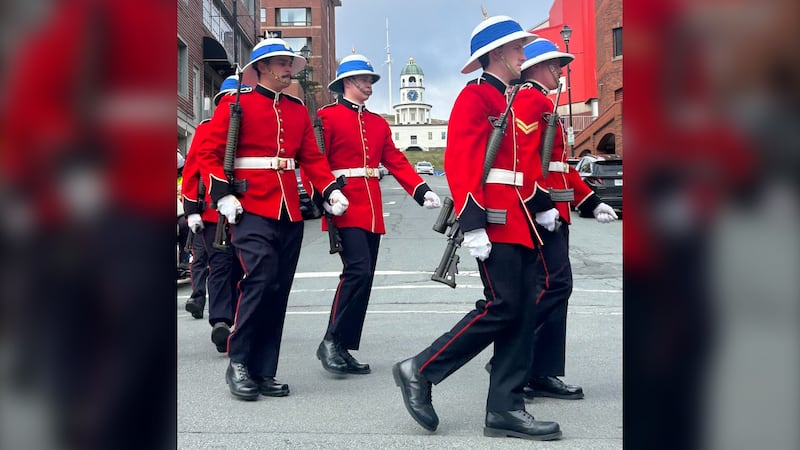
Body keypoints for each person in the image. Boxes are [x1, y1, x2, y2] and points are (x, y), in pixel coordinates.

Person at [391, 15, 561, 440]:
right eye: (518, 48)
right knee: (502, 305)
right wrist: (473, 225)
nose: (525, 54)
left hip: (520, 219)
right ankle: (421, 369)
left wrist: (541, 205)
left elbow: (518, 168)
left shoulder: (506, 97)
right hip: (494, 220)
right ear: (499, 53)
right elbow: (462, 165)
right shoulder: (475, 98)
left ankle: (505, 408)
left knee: (520, 312)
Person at [198, 38, 349, 401]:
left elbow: (311, 158)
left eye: (289, 63)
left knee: (278, 289)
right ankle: (239, 361)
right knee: (259, 276)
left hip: (287, 209)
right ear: (262, 67)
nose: (288, 69)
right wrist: (223, 193)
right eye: (281, 63)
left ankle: (264, 370)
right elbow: (208, 152)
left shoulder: (297, 109)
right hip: (249, 205)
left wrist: (329, 189)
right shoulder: (239, 102)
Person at [489, 38, 619, 401]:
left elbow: (560, 166)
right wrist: (540, 203)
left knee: (556, 288)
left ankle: (539, 368)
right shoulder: (530, 99)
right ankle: (516, 359)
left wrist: (590, 201)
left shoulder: (543, 102)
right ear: (532, 67)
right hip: (539, 210)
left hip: (553, 210)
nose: (558, 72)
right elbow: (528, 161)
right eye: (552, 65)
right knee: (553, 285)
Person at [313, 54, 442, 375]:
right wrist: (328, 193)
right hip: (343, 203)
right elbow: (316, 160)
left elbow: (396, 161)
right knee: (357, 271)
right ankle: (331, 341)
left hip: (370, 208)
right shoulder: (326, 117)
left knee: (365, 276)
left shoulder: (377, 123)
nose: (369, 85)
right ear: (347, 83)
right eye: (364, 80)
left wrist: (421, 189)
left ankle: (341, 345)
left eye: (371, 80)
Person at [181, 75, 246, 357]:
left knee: (239, 268)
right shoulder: (207, 129)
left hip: (245, 208)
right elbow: (193, 172)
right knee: (220, 266)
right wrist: (192, 210)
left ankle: (237, 318)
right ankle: (221, 320)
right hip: (212, 213)